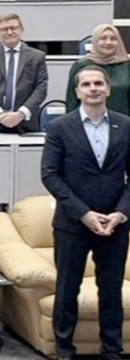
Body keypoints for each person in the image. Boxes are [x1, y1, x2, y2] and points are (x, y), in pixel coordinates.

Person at [42, 65, 130, 360]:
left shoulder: (126, 125)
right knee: (67, 289)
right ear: (77, 92)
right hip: (73, 223)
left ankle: (112, 349)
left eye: (98, 84)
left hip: (115, 224)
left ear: (108, 89)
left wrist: (120, 213)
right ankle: (64, 349)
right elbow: (50, 175)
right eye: (87, 84)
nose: (93, 89)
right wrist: (84, 213)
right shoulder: (60, 127)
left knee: (111, 290)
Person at [0, 13, 48, 133]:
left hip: (25, 125)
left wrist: (21, 114)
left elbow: (41, 88)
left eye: (13, 28)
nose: (9, 32)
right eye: (4, 29)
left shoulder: (37, 57)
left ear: (22, 30)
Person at [66, 24, 130, 115]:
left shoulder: (126, 65)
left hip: (123, 121)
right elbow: (71, 101)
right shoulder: (81, 65)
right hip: (87, 121)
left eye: (113, 39)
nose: (108, 42)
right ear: (95, 41)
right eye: (103, 38)